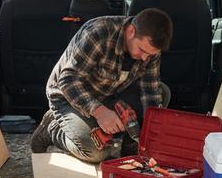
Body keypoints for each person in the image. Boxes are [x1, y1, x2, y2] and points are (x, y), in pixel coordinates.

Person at [31, 8, 173, 163]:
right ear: (131, 31)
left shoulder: (150, 48)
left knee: (162, 92)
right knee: (95, 153)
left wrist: (151, 133)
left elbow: (150, 90)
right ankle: (52, 130)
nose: (145, 58)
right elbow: (67, 81)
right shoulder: (98, 33)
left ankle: (131, 149)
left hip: (109, 93)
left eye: (151, 55)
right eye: (142, 50)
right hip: (69, 96)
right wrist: (100, 112)